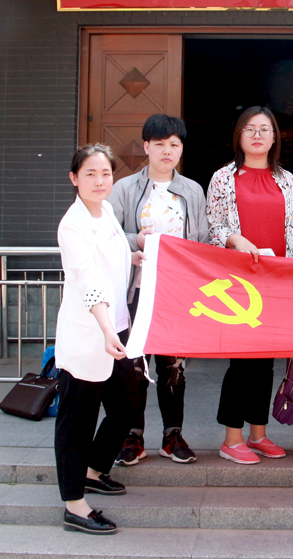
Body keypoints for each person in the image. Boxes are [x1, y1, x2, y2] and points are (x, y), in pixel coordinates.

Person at [108, 114, 210, 466]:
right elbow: (108, 236)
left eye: (174, 144)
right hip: (135, 291)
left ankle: (172, 435)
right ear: (146, 146)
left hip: (176, 293)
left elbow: (202, 241)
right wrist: (134, 240)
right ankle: (132, 436)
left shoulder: (192, 191)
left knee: (173, 367)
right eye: (160, 144)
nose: (167, 151)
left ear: (181, 149)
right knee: (134, 365)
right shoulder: (123, 189)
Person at [54, 143, 144, 535]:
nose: (99, 180)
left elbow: (112, 258)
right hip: (89, 333)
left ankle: (92, 470)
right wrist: (108, 330)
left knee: (127, 405)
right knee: (78, 420)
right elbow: (89, 281)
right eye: (89, 173)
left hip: (116, 327)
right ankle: (74, 504)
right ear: (74, 178)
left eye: (105, 173)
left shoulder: (106, 211)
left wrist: (135, 257)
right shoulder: (72, 225)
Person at [207, 106, 293, 465]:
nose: (258, 135)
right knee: (242, 362)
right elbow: (214, 226)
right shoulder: (223, 178)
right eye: (250, 129)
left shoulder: (287, 180)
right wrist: (233, 238)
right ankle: (232, 438)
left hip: (276, 281)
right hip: (238, 283)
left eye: (265, 129)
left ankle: (258, 434)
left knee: (265, 362)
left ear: (275, 137)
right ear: (239, 136)